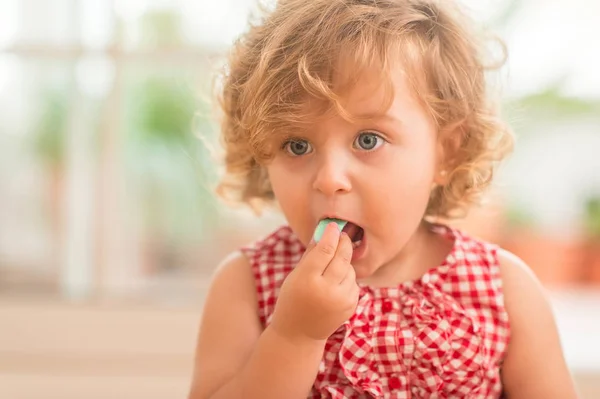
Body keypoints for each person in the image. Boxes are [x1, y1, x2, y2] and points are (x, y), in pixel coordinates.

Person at [189, 0, 578, 397]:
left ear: (446, 152)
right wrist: (295, 335)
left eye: (368, 140)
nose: (330, 180)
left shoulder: (504, 288)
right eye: (297, 144)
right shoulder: (246, 284)